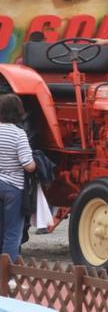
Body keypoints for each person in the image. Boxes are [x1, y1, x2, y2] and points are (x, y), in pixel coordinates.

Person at [0, 95, 35, 261]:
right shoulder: (19, 134)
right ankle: (7, 275)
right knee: (12, 232)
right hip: (13, 188)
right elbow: (28, 164)